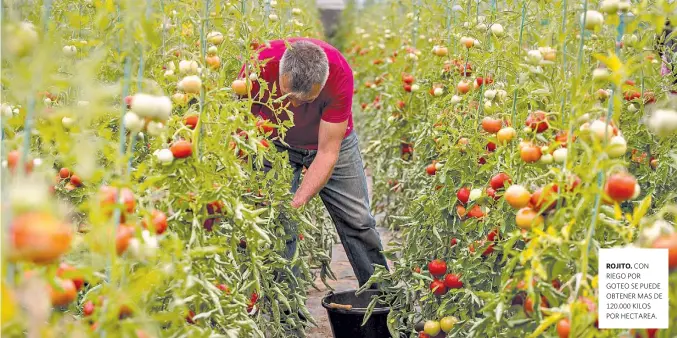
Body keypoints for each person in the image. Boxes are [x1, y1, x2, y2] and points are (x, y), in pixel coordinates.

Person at [236, 38, 389, 289]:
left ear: (324, 80)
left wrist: (298, 200)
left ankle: (383, 299)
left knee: (358, 220)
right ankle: (287, 315)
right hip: (275, 144)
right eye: (288, 97)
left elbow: (328, 152)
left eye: (306, 100)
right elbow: (242, 129)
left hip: (330, 143)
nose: (295, 105)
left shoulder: (340, 74)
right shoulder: (257, 66)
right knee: (278, 226)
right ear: (280, 73)